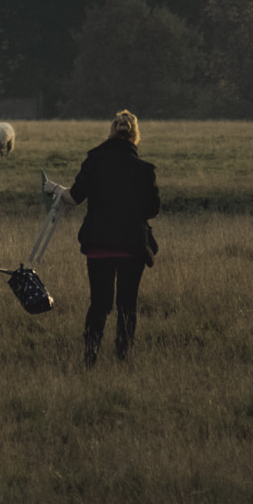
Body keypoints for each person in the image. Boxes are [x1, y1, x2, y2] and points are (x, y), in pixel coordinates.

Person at [67, 109, 160, 366]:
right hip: (132, 246)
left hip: (99, 244)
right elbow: (153, 210)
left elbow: (74, 197)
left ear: (111, 131)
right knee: (127, 306)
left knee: (99, 304)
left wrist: (54, 190)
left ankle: (90, 353)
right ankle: (123, 354)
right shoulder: (144, 170)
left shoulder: (94, 161)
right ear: (135, 135)